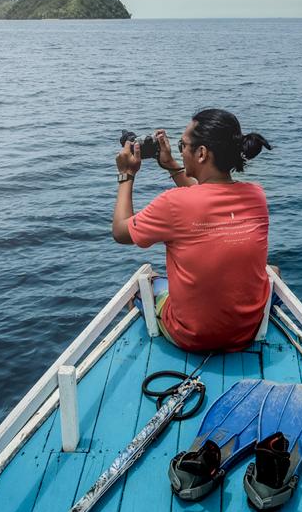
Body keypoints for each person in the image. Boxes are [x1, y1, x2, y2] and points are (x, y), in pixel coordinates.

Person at [112, 109, 272, 352]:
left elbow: (121, 232)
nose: (180, 150)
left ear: (202, 153)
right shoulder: (257, 195)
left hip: (191, 337)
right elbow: (206, 198)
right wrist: (172, 166)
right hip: (246, 333)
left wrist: (127, 174)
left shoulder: (173, 203)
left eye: (182, 145)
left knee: (143, 285)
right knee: (274, 271)